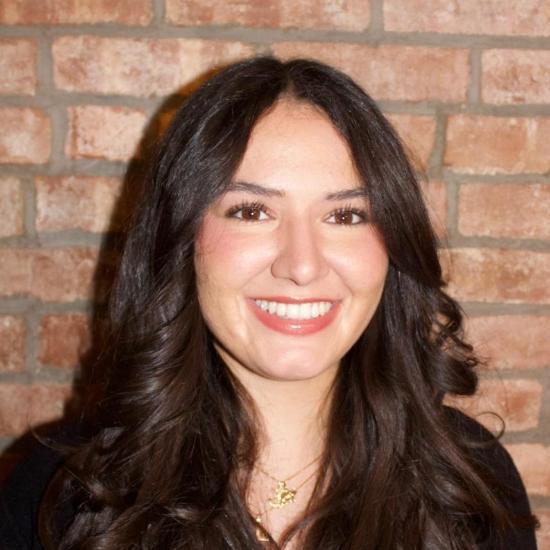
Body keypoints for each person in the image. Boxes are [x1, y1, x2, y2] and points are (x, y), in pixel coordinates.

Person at [0, 57, 538, 549]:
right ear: (182, 239)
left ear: (393, 247)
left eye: (345, 216)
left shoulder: (469, 486)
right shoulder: (61, 495)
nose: (302, 265)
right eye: (252, 212)